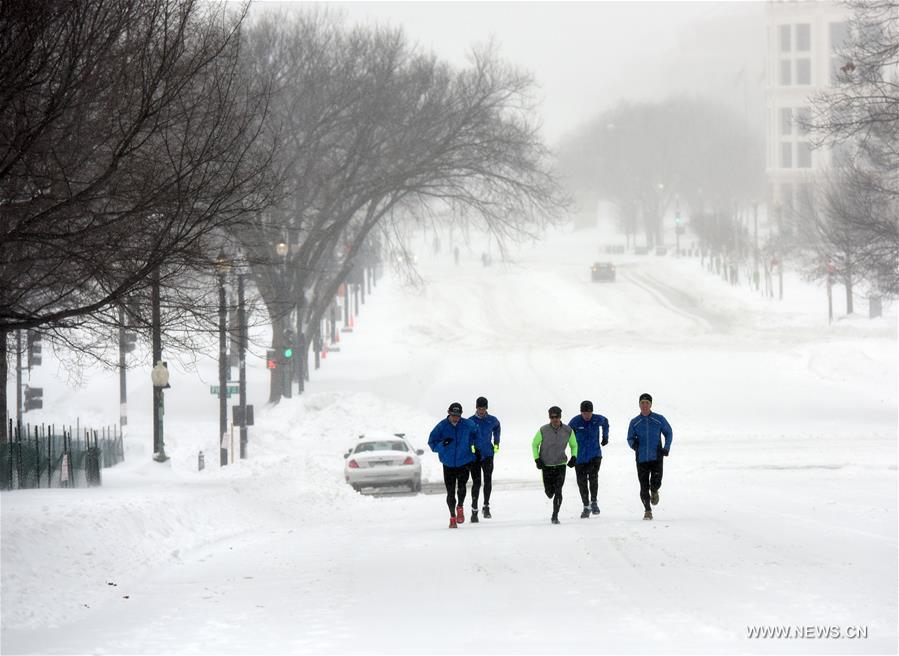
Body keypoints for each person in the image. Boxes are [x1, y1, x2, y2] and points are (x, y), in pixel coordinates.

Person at [428, 402, 477, 528]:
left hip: (464, 462)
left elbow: (476, 434)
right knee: (450, 493)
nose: (456, 418)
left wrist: (474, 448)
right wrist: (443, 444)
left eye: (458, 415)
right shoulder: (441, 426)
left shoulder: (468, 424)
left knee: (461, 488)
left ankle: (460, 506)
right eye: (453, 415)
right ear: (448, 413)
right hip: (448, 464)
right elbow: (432, 443)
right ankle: (452, 517)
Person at [626, 393, 673, 520]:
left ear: (650, 405)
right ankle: (647, 510)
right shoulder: (635, 422)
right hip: (641, 458)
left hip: (656, 456)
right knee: (643, 486)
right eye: (642, 403)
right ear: (639, 405)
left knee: (656, 482)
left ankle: (654, 490)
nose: (644, 405)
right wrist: (634, 445)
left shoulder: (659, 419)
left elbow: (669, 433)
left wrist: (666, 447)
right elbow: (629, 437)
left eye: (647, 403)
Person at [531, 406, 578, 524]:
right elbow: (534, 444)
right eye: (552, 417)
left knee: (558, 491)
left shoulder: (568, 430)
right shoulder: (543, 430)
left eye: (556, 417)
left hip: (561, 465)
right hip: (546, 465)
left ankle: (555, 515)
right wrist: (537, 459)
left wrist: (574, 456)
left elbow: (574, 445)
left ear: (560, 416)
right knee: (549, 493)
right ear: (549, 417)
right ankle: (549, 492)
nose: (554, 419)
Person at [568, 400, 609, 519]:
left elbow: (606, 422)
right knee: (582, 483)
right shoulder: (575, 421)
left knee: (593, 478)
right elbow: (566, 435)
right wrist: (571, 455)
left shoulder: (597, 419)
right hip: (579, 458)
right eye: (584, 413)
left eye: (589, 413)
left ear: (592, 412)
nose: (587, 415)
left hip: (594, 455)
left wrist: (605, 437)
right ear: (581, 412)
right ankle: (586, 506)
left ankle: (594, 502)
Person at [468, 396, 501, 522]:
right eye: (479, 408)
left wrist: (496, 443)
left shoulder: (492, 420)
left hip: (488, 454)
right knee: (476, 483)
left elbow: (497, 429)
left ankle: (486, 506)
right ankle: (474, 510)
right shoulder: (470, 421)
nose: (481, 410)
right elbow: (468, 437)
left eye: (483, 408)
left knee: (488, 480)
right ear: (476, 408)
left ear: (486, 408)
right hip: (475, 456)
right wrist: (471, 448)